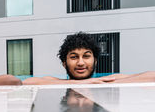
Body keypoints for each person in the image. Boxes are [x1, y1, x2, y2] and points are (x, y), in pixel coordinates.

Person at [23, 32, 155, 85]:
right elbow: (27, 82)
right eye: (74, 57)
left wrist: (101, 84)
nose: (81, 62)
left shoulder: (107, 80)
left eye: (86, 56)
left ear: (95, 60)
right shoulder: (57, 82)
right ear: (64, 63)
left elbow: (152, 76)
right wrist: (80, 83)